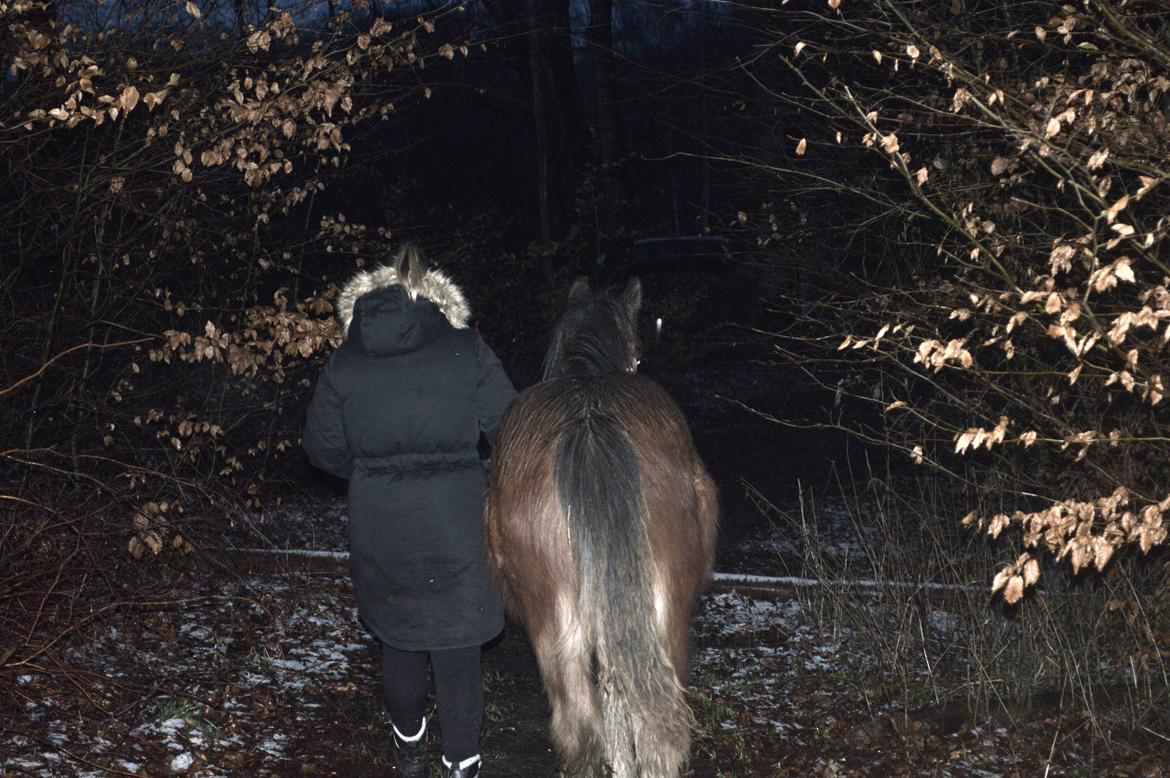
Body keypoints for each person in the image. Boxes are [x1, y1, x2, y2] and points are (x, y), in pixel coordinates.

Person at [303, 244, 515, 778]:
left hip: (381, 519)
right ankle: (462, 763)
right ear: (436, 295)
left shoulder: (346, 361)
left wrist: (371, 472)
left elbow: (320, 447)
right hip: (459, 518)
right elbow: (510, 427)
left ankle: (409, 748)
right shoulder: (465, 348)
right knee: (457, 643)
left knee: (399, 637)